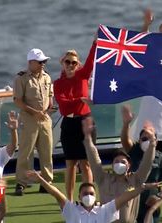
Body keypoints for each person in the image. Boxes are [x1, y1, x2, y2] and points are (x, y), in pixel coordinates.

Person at [82, 116, 155, 223]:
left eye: (123, 162)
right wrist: (88, 138)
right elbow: (94, 160)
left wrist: (152, 143)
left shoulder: (136, 180)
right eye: (116, 161)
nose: (119, 164)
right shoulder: (103, 179)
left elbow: (147, 163)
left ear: (129, 165)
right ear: (112, 165)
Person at [26, 170, 160, 223]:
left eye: (91, 193)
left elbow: (126, 197)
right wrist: (40, 179)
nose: (88, 196)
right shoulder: (71, 210)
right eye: (85, 194)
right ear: (79, 196)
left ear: (96, 196)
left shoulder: (105, 210)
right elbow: (55, 193)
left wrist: (142, 187)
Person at [53, 40, 96, 201]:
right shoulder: (58, 84)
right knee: (70, 164)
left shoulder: (83, 75)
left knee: (86, 163)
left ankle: (89, 197)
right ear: (62, 63)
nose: (70, 65)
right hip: (69, 124)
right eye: (67, 62)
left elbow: (92, 60)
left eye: (74, 62)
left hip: (85, 122)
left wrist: (95, 42)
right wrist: (81, 99)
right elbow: (63, 106)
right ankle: (70, 200)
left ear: (78, 64)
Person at [131, 9, 162, 156]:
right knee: (143, 151)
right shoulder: (153, 53)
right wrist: (146, 24)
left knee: (161, 155)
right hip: (149, 106)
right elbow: (141, 44)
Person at [121, 105, 162, 223]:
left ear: (155, 141)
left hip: (150, 203)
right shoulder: (136, 152)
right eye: (143, 139)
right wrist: (126, 124)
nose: (146, 141)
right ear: (139, 141)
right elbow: (125, 141)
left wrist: (159, 196)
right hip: (132, 201)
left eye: (150, 138)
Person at [13, 48, 54, 196]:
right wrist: (34, 112)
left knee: (46, 151)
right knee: (26, 152)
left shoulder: (47, 77)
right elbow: (18, 101)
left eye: (45, 61)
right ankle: (22, 182)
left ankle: (46, 182)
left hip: (44, 119)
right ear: (31, 62)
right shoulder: (21, 78)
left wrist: (47, 108)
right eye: (40, 61)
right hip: (29, 119)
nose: (44, 64)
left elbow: (50, 95)